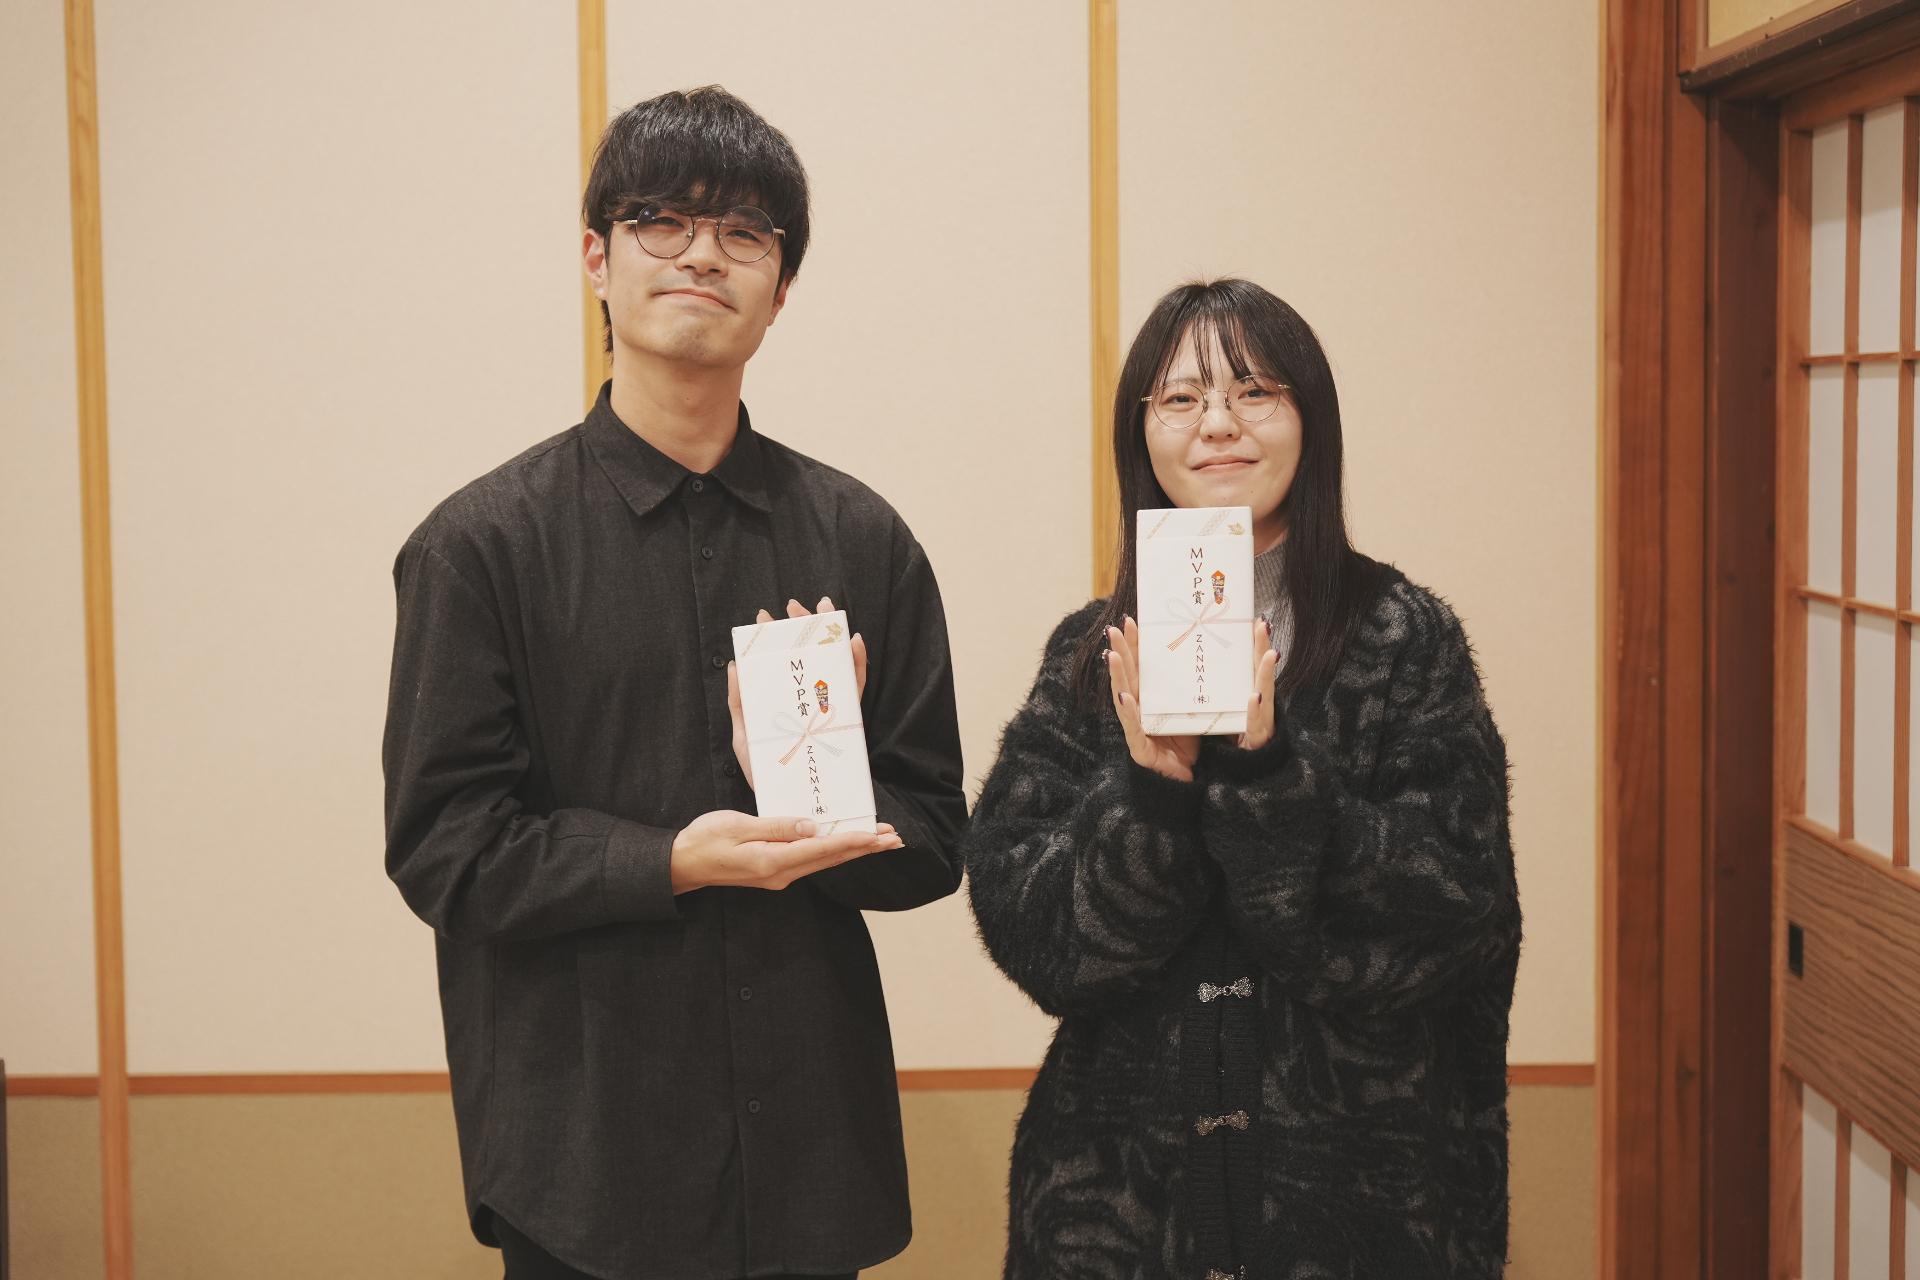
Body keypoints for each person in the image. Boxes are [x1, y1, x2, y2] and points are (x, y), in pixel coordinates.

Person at [383, 85, 967, 1280]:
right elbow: (446, 848)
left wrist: (821, 800)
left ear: (781, 288)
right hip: (586, 1166)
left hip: (810, 1157)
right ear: (596, 258)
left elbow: (936, 840)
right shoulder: (480, 546)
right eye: (662, 219)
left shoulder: (863, 540)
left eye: (745, 231)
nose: (704, 253)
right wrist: (671, 859)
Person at [963, 278, 1520, 1278]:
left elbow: (1456, 913)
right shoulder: (1092, 655)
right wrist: (1151, 793)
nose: (1217, 422)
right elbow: (1039, 937)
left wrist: (1274, 780)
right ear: (1144, 433)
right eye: (1181, 398)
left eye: (1254, 390)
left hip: (1358, 1201)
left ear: (1311, 418)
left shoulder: (1404, 638)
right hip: (1117, 1209)